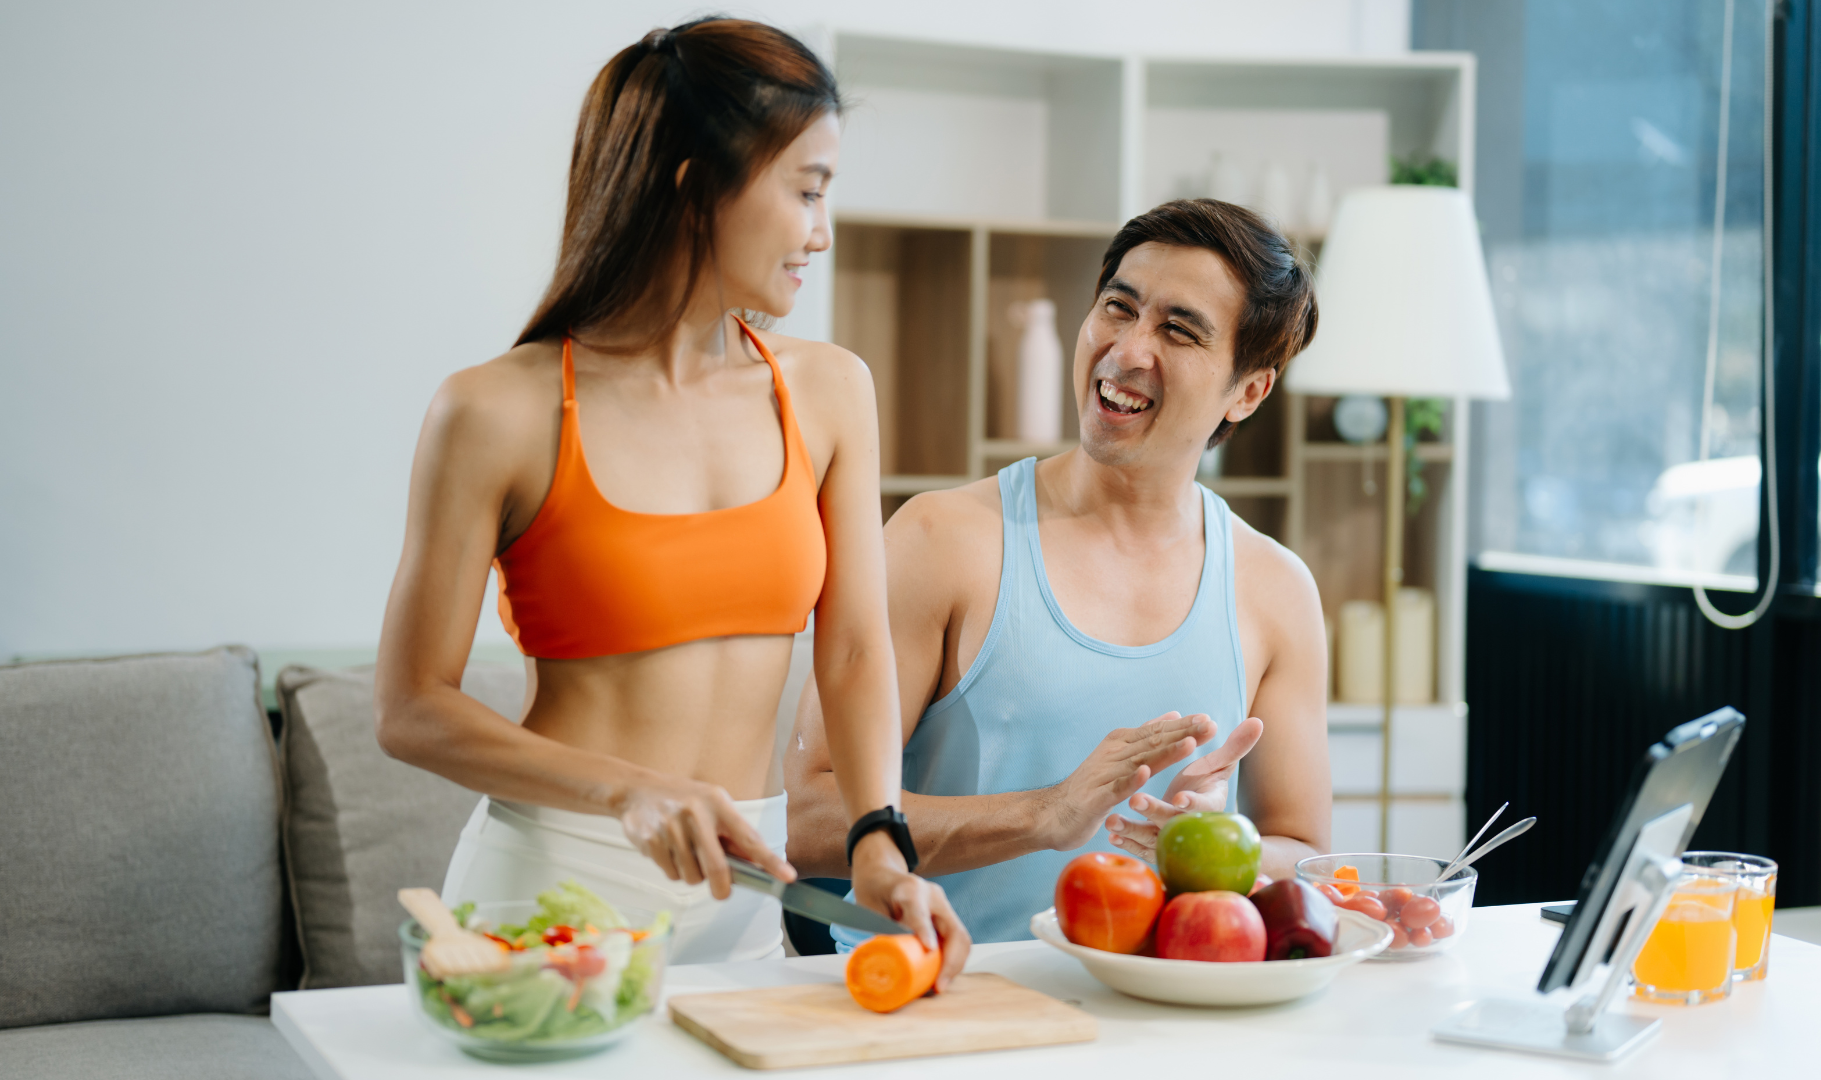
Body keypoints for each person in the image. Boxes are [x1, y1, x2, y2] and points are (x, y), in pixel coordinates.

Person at [373, 18, 967, 980]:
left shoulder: (828, 392)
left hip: (744, 893)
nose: (822, 232)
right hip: (549, 888)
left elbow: (854, 651)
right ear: (695, 188)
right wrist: (629, 790)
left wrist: (877, 841)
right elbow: (410, 708)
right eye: (807, 191)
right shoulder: (495, 410)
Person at [786, 199, 1330, 945]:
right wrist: (1046, 815)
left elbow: (1303, 852)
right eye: (1118, 307)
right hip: (937, 1011)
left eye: (1178, 330)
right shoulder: (940, 539)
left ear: (1249, 390)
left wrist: (1217, 847)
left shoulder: (1277, 589)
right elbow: (805, 817)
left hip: (1154, 1018)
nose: (1129, 350)